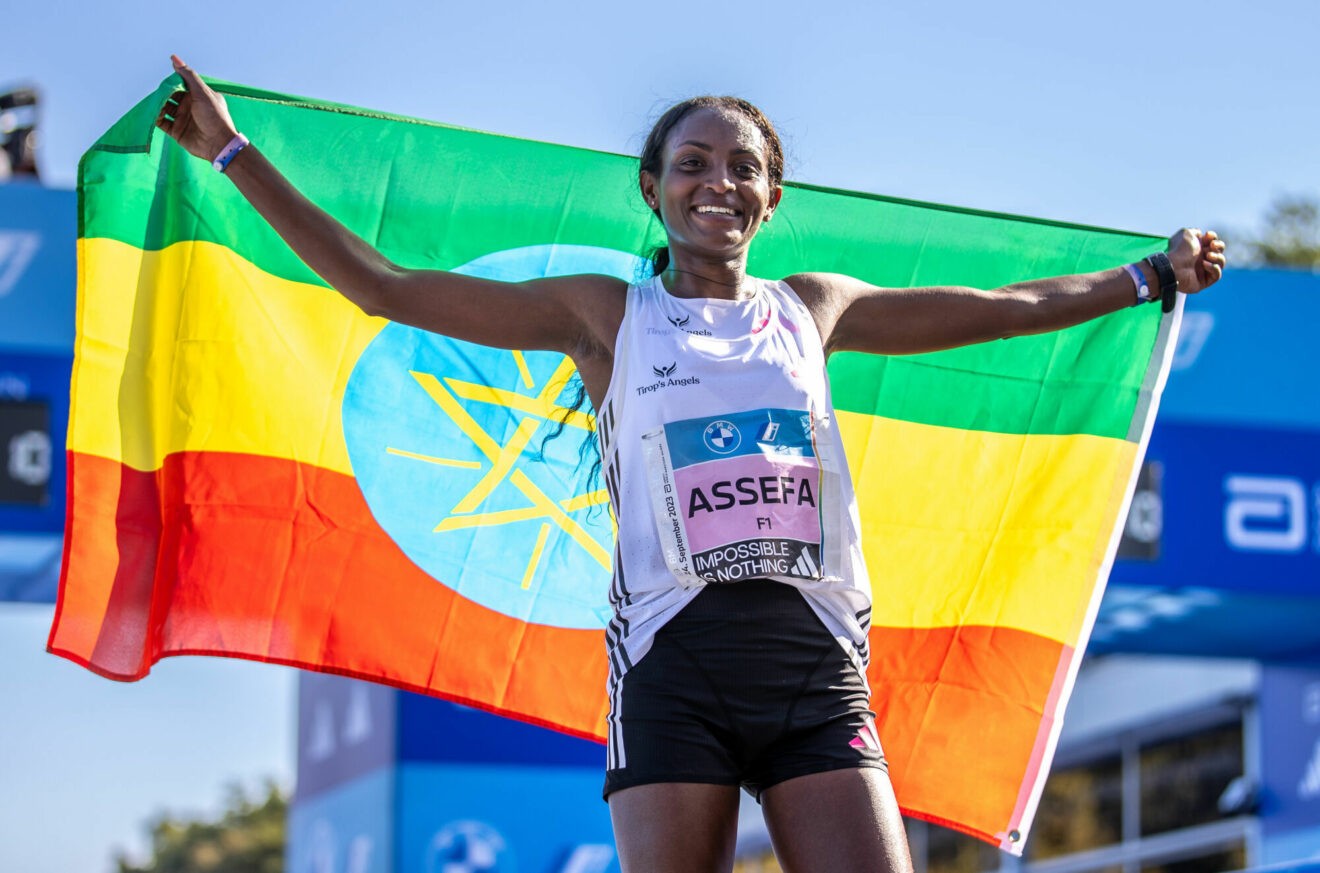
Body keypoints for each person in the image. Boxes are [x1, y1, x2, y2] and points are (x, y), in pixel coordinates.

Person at [156, 56, 1226, 873]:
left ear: (771, 200)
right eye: (693, 165)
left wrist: (1145, 276)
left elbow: (1000, 311)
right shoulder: (603, 314)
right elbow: (386, 287)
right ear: (654, 190)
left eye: (743, 169)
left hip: (815, 670)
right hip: (673, 675)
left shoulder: (815, 308)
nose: (719, 183)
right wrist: (232, 152)